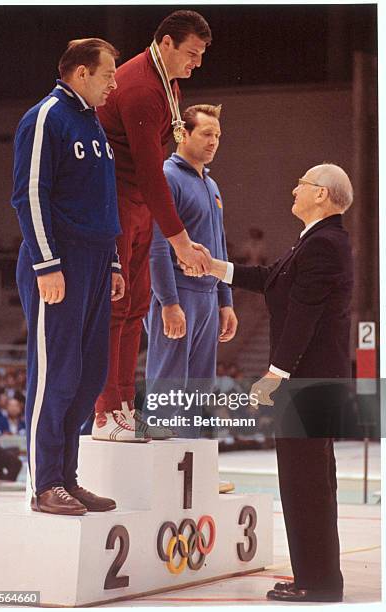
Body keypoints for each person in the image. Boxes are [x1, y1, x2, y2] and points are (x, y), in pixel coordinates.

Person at [185, 164, 353, 602]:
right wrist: (214, 267)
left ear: (321, 194)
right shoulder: (315, 241)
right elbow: (270, 281)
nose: (293, 188)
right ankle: (315, 578)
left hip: (308, 383)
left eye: (301, 183)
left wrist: (276, 373)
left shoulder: (325, 245)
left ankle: (318, 583)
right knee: (306, 481)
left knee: (306, 484)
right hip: (313, 382)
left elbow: (304, 314)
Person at [11, 38, 124, 515]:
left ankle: (68, 478)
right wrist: (47, 263)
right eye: (107, 74)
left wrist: (114, 260)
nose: (114, 83)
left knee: (89, 374)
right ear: (80, 73)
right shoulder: (45, 118)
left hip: (97, 261)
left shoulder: (92, 123)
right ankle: (45, 485)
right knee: (55, 375)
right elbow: (28, 196)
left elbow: (102, 198)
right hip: (60, 262)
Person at [93, 10, 213, 441]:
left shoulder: (168, 82)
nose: (196, 63)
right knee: (117, 306)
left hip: (139, 203)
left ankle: (124, 404)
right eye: (191, 53)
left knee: (138, 304)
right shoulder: (143, 87)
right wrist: (179, 241)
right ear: (165, 44)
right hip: (118, 202)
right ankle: (106, 412)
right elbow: (149, 170)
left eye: (201, 55)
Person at [143, 104, 237, 441]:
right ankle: (165, 477)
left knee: (199, 389)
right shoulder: (167, 177)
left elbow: (220, 245)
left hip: (208, 298)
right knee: (169, 386)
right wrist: (168, 302)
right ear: (183, 134)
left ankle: (193, 471)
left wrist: (226, 301)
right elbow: (155, 245)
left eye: (218, 135)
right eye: (207, 134)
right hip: (178, 294)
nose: (214, 141)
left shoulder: (211, 185)